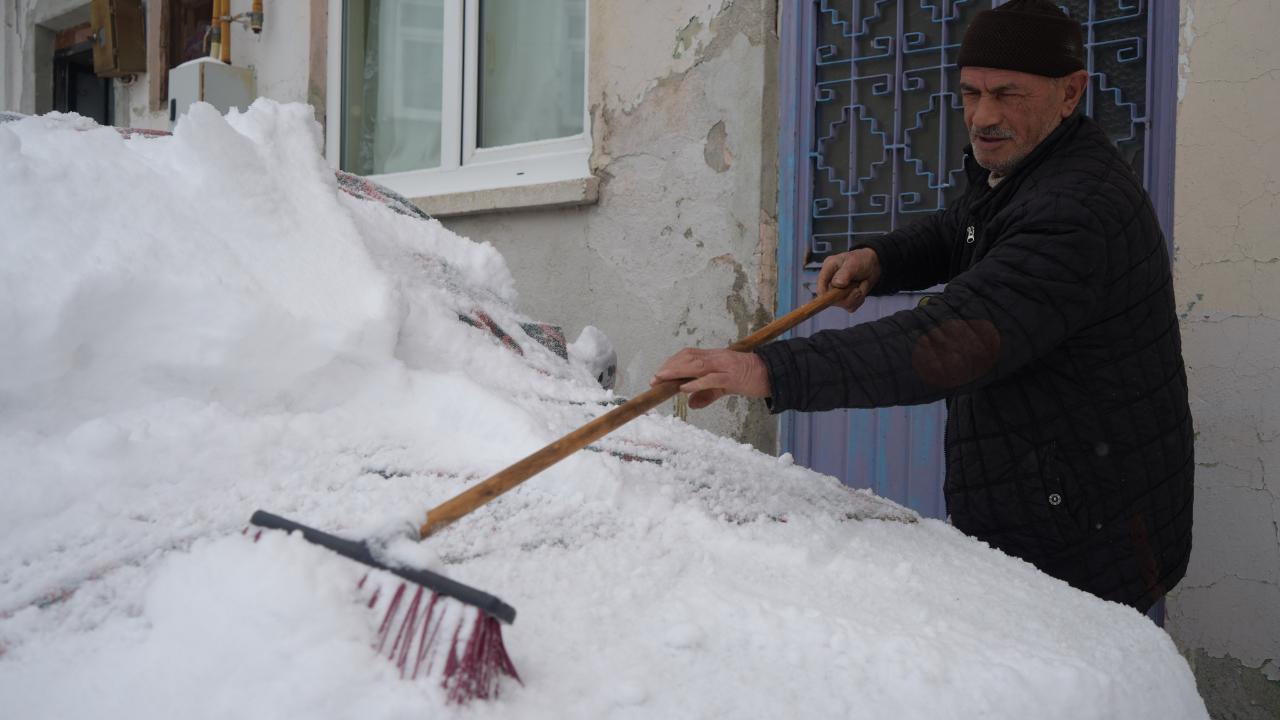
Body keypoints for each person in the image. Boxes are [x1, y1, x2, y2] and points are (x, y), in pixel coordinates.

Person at [652, 0, 1192, 613]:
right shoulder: (1030, 172)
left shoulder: (1078, 211)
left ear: (1071, 93)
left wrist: (771, 369)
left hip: (1091, 537)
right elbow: (958, 229)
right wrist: (882, 259)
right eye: (971, 93)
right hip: (1054, 505)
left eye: (1008, 94)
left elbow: (951, 340)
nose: (983, 116)